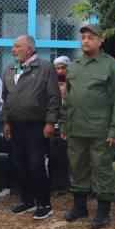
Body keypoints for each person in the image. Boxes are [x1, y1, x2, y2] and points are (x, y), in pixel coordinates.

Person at [62, 25, 115, 229]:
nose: (85, 41)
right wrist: (64, 124)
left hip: (101, 128)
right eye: (83, 37)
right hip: (76, 126)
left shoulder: (111, 66)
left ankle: (103, 212)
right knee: (77, 166)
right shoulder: (74, 65)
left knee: (102, 169)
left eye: (90, 37)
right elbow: (68, 98)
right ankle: (80, 207)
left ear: (100, 41)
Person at [2, 35, 61, 220]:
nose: (13, 50)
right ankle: (27, 200)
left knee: (36, 164)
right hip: (16, 124)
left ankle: (44, 203)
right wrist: (6, 121)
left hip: (37, 125)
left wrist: (50, 122)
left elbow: (53, 97)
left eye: (17, 46)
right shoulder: (10, 69)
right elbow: (7, 98)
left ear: (29, 49)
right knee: (19, 164)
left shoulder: (45, 67)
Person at [49, 56, 71, 193]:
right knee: (53, 155)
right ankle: (53, 184)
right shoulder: (51, 84)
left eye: (63, 68)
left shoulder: (74, 84)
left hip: (68, 124)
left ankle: (66, 184)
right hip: (53, 123)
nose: (60, 71)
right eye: (57, 68)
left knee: (66, 156)